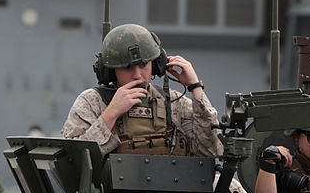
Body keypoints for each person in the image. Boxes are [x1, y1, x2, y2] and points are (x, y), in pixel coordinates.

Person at [61, 23, 222, 159]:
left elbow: (210, 150)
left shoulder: (173, 102)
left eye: (144, 65)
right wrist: (111, 114)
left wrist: (195, 88)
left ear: (156, 64)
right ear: (111, 71)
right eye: (127, 68)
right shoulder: (93, 102)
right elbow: (73, 160)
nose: (137, 75)